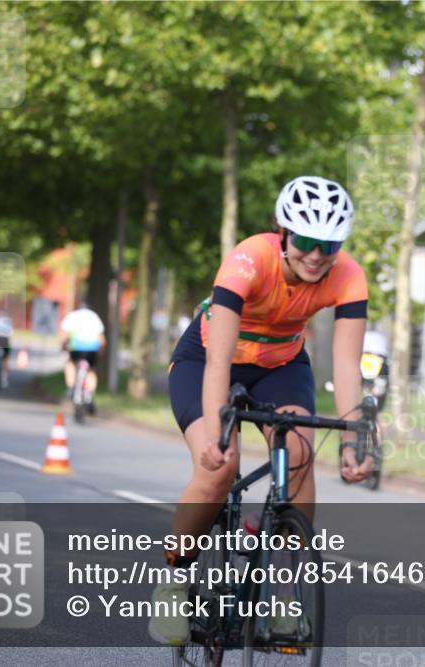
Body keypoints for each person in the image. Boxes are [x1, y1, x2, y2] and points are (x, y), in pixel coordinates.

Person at [150, 176, 373, 645]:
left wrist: (354, 441)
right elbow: (216, 361)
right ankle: (174, 580)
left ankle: (283, 588)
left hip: (281, 364)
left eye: (328, 245)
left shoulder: (348, 275)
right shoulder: (249, 260)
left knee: (298, 453)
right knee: (219, 467)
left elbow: (348, 367)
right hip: (209, 359)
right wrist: (215, 430)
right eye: (306, 241)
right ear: (283, 232)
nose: (316, 255)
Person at [59, 302, 105, 410]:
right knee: (91, 371)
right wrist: (101, 351)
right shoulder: (94, 317)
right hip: (92, 348)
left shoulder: (72, 316)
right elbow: (102, 339)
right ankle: (90, 394)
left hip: (76, 347)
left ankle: (70, 388)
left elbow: (64, 334)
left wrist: (63, 346)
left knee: (70, 363)